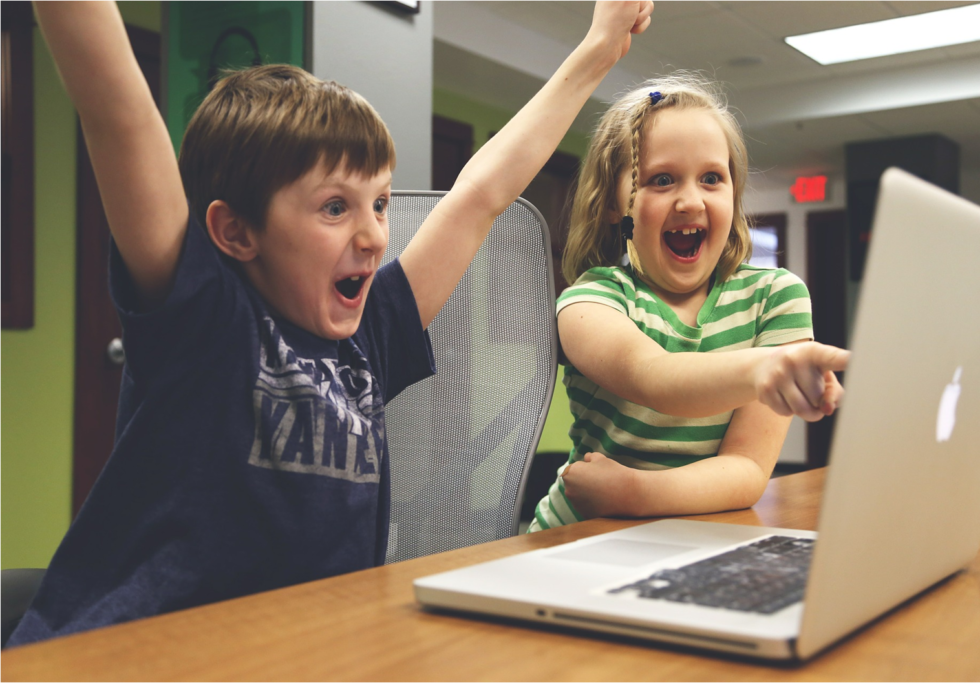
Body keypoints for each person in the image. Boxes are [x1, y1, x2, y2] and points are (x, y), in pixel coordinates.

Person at [10, 0, 654, 646]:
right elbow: (117, 115)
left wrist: (598, 48)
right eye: (335, 207)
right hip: (131, 654)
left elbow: (480, 196)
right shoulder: (202, 316)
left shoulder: (369, 335)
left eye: (378, 202)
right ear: (234, 231)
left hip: (300, 649)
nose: (376, 235)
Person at [528, 72, 849, 532]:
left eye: (712, 178)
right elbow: (656, 378)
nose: (690, 201)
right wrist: (763, 369)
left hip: (692, 538)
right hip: (578, 537)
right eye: (662, 179)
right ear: (614, 204)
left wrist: (636, 494)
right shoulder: (590, 301)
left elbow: (748, 470)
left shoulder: (776, 297)